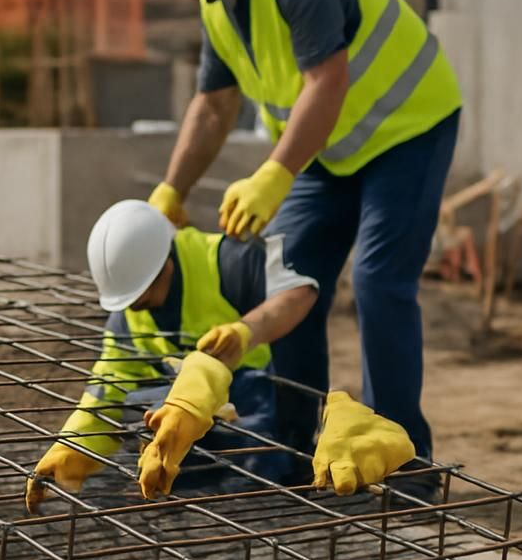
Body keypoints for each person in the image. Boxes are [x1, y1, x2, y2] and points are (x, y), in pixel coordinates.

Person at [119, 0, 462, 498]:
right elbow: (214, 107)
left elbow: (326, 82)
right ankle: (298, 451)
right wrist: (170, 192)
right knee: (292, 277)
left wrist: (274, 175)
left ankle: (404, 462)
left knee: (381, 284)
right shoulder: (218, 9)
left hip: (409, 132)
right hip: (330, 155)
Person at [25, 199, 318, 511]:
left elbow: (301, 292)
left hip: (249, 404)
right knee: (140, 407)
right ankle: (188, 485)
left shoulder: (228, 260)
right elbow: (108, 388)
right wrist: (74, 445)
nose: (135, 306)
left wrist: (246, 331)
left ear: (165, 263)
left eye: (141, 294)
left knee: (249, 432)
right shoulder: (127, 311)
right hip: (185, 407)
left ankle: (266, 480)